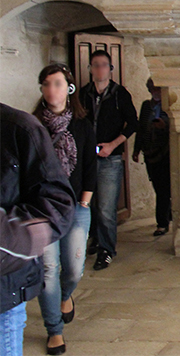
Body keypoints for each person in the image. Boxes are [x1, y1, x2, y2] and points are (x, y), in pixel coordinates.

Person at [33, 64, 97, 355]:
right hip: (41, 207)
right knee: (48, 269)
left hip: (74, 205)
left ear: (69, 88)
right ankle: (54, 330)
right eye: (46, 84)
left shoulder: (81, 124)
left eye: (57, 84)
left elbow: (88, 165)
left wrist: (84, 200)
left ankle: (66, 295)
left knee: (73, 267)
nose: (51, 90)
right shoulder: (32, 125)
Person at [1, 104, 75, 356]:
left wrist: (9, 233)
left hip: (3, 291)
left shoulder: (20, 128)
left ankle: (55, 326)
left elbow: (57, 204)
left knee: (61, 269)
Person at [79, 50, 137, 271]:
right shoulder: (84, 94)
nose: (99, 69)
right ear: (91, 68)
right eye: (95, 65)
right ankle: (95, 239)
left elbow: (133, 124)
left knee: (105, 207)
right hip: (87, 158)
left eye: (104, 65)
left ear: (110, 69)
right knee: (87, 203)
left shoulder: (120, 94)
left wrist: (113, 144)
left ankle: (106, 250)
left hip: (110, 158)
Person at [132, 79, 171, 237]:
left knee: (164, 189)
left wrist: (164, 126)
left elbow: (173, 126)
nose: (155, 91)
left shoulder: (169, 105)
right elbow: (141, 128)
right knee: (158, 187)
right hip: (149, 153)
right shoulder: (146, 106)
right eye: (152, 88)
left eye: (158, 88)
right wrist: (136, 149)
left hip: (165, 153)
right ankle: (165, 217)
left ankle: (162, 223)